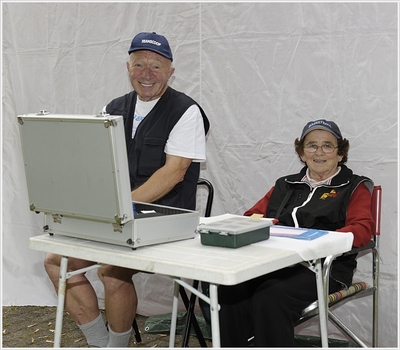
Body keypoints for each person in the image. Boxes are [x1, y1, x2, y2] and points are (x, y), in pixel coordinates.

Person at [44, 32, 209, 347]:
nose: (146, 74)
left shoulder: (186, 111)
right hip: (118, 215)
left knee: (111, 271)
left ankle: (118, 347)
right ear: (128, 67)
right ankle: (100, 342)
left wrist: (118, 206)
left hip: (166, 216)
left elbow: (174, 173)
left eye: (156, 66)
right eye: (139, 64)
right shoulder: (113, 107)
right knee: (55, 261)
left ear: (171, 71)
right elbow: (99, 166)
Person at [218, 119, 374, 347]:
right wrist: (265, 224)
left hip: (324, 268)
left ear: (340, 154)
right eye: (311, 145)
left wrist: (320, 243)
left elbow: (362, 229)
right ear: (302, 153)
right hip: (274, 263)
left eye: (328, 146)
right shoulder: (285, 184)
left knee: (270, 297)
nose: (319, 152)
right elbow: (251, 216)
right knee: (227, 289)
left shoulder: (354, 186)